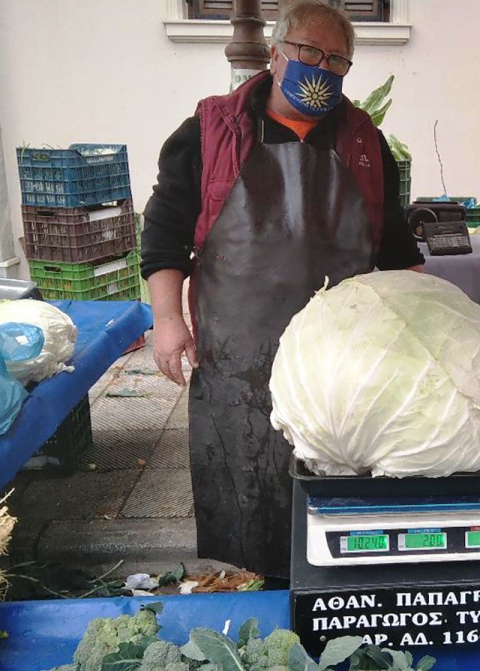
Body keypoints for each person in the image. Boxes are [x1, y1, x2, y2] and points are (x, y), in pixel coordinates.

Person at [140, 0, 424, 581]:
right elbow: (164, 235)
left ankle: (332, 589)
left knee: (334, 480)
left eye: (337, 60)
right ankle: (252, 592)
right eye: (308, 52)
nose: (322, 68)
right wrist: (167, 321)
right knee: (243, 487)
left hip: (340, 357)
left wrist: (424, 330)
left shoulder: (365, 143)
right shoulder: (209, 133)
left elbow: (395, 248)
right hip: (238, 354)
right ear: (274, 55)